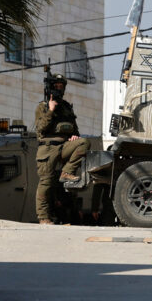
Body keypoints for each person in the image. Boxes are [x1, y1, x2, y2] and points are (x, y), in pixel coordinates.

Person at [34, 73, 89, 225]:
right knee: (46, 182)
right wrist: (51, 110)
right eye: (56, 86)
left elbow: (75, 131)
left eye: (61, 86)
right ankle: (43, 217)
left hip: (65, 145)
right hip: (48, 147)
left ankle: (67, 172)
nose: (59, 89)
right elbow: (40, 129)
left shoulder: (66, 107)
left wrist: (74, 137)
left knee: (83, 143)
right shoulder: (43, 106)